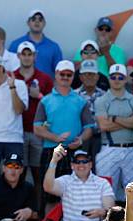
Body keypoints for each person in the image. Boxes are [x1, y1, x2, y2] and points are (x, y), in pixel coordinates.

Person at [34, 60, 95, 212]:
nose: (66, 77)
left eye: (69, 74)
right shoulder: (46, 100)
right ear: (56, 74)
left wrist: (80, 139)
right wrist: (55, 138)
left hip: (74, 152)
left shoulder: (80, 101)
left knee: (73, 191)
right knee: (50, 191)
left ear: (73, 76)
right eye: (62, 74)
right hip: (51, 150)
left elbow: (89, 128)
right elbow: (37, 128)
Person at [94, 64, 133, 201]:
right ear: (109, 79)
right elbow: (103, 125)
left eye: (120, 77)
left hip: (131, 149)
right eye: (113, 77)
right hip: (108, 148)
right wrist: (129, 122)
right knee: (106, 192)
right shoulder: (101, 100)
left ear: (125, 79)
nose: (116, 79)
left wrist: (114, 119)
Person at [14, 41, 54, 205]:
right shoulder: (12, 77)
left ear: (35, 56)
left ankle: (38, 212)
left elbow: (52, 105)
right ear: (18, 56)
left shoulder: (44, 78)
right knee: (19, 174)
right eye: (24, 54)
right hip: (17, 132)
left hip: (38, 133)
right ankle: (20, 208)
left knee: (38, 174)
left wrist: (38, 96)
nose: (27, 57)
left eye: (29, 54)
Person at [8, 10, 63, 78]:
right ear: (28, 23)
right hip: (19, 86)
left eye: (40, 20)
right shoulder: (16, 45)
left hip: (46, 87)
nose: (37, 22)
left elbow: (60, 72)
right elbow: (8, 69)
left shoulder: (53, 47)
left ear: (44, 23)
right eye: (33, 19)